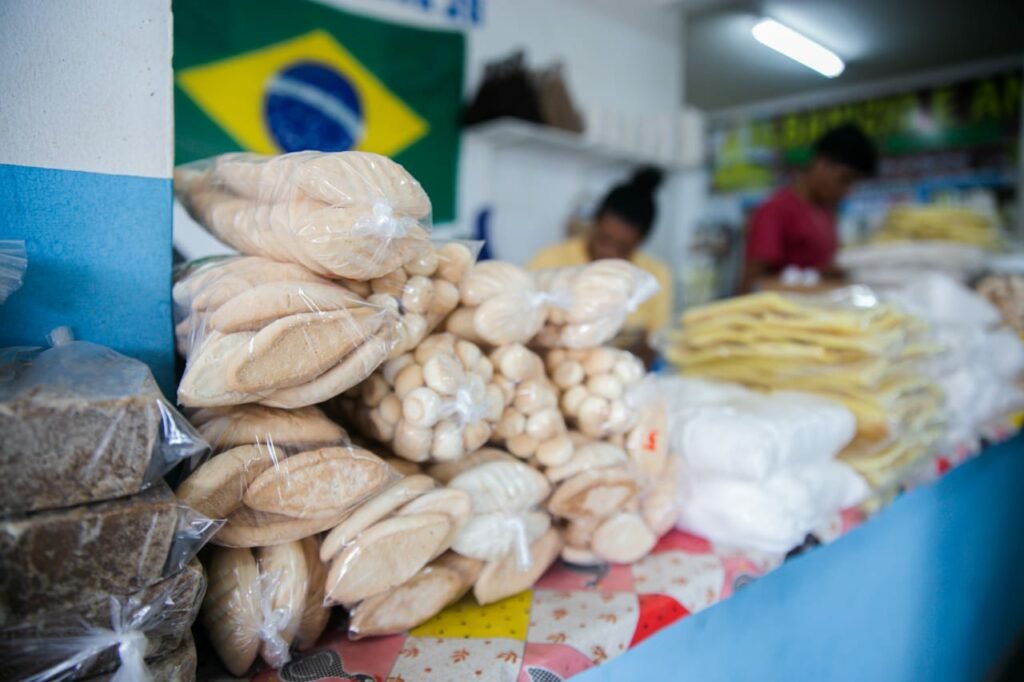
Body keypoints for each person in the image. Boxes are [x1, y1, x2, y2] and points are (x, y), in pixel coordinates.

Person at [528, 168, 672, 367]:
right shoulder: (551, 260)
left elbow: (652, 346)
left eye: (623, 248)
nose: (609, 252)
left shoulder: (653, 277)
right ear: (594, 223)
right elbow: (523, 325)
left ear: (641, 242)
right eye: (604, 239)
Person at [740, 123, 878, 293]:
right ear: (821, 164)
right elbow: (751, 286)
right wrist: (819, 275)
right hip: (787, 317)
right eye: (844, 179)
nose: (848, 191)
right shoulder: (775, 211)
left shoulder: (827, 212)